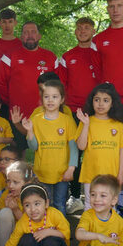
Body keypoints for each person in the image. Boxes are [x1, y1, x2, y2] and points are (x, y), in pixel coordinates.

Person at [22, 79, 78, 214]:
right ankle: (45, 231)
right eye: (46, 97)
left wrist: (71, 168)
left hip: (61, 173)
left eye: (55, 97)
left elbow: (73, 147)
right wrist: (29, 131)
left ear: (62, 99)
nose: (50, 100)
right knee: (44, 205)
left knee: (59, 204)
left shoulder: (67, 120)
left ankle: (61, 233)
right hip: (42, 172)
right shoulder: (35, 119)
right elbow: (33, 147)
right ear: (42, 99)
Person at [75, 83, 123, 211]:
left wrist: (121, 174)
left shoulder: (118, 125)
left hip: (111, 175)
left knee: (110, 206)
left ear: (112, 103)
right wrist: (86, 125)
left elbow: (122, 150)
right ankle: (88, 230)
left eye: (105, 100)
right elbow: (81, 146)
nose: (100, 104)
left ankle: (109, 231)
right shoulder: (86, 121)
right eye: (97, 100)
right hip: (91, 173)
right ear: (92, 101)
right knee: (90, 204)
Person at [0, 21, 58, 121]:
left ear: (39, 36)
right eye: (26, 32)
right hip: (18, 116)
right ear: (21, 37)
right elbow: (0, 83)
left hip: (46, 116)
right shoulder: (9, 56)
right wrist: (12, 101)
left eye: (33, 32)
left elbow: (59, 86)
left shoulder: (51, 57)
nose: (29, 35)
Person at [0, 160, 35, 246]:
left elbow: (31, 225)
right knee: (5, 213)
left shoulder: (33, 198)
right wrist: (3, 208)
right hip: (7, 241)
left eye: (16, 182)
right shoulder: (7, 194)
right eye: (8, 181)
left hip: (23, 241)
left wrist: (16, 210)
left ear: (27, 183)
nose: (10, 185)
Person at [56, 17, 100, 113]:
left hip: (97, 108)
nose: (82, 31)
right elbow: (61, 84)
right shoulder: (67, 56)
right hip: (72, 109)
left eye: (86, 28)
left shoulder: (100, 54)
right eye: (79, 28)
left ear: (93, 31)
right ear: (75, 32)